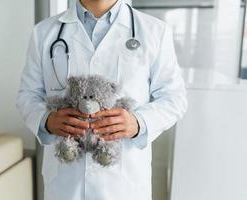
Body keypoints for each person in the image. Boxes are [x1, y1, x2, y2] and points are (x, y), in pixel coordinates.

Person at [16, 0, 187, 199]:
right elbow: (27, 94)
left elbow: (174, 97)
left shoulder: (154, 31)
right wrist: (46, 120)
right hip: (66, 182)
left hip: (123, 184)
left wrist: (138, 123)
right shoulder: (44, 33)